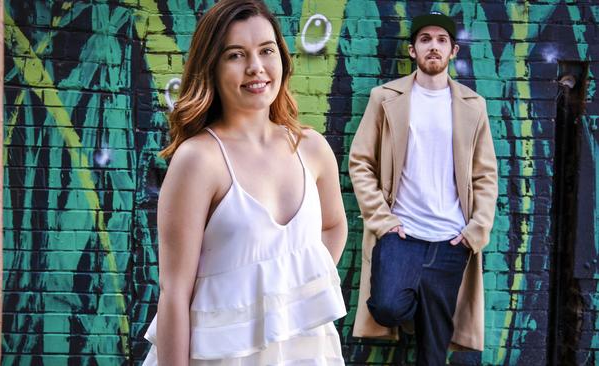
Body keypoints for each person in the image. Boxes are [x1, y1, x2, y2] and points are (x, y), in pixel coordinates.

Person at [142, 0, 348, 364]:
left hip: (307, 351)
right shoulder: (199, 159)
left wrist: (292, 296)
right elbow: (174, 292)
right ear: (212, 67)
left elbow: (333, 226)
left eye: (266, 51)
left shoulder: (311, 148)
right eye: (236, 55)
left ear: (282, 58)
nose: (256, 68)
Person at [348, 11, 498, 365]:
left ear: (453, 50)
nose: (434, 46)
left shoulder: (473, 106)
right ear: (413, 50)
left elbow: (485, 175)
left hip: (451, 239)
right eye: (425, 40)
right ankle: (420, 300)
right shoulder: (384, 98)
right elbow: (360, 161)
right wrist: (383, 221)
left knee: (433, 351)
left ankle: (429, 310)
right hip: (401, 234)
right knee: (386, 306)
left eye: (441, 40)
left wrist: (474, 231)